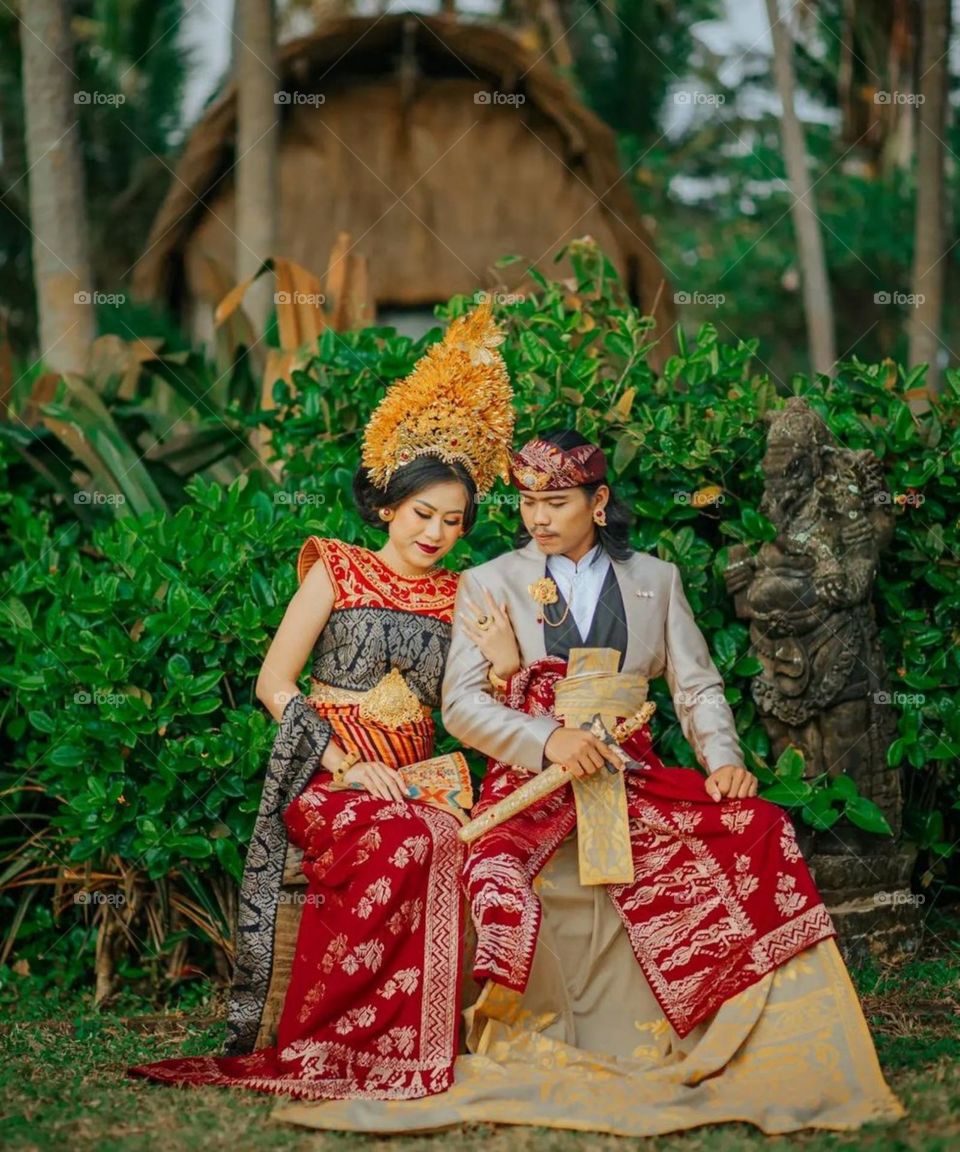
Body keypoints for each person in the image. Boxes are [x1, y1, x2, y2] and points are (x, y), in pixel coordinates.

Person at [272, 429, 904, 1135]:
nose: (537, 517)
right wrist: (547, 740)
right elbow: (462, 706)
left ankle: (767, 1043)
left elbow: (696, 688)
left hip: (631, 778)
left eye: (557, 501)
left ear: (599, 502)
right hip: (528, 790)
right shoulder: (489, 583)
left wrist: (723, 758)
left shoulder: (656, 581)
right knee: (507, 872)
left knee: (757, 827)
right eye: (527, 501)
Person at [127, 298, 515, 1100]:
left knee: (442, 836)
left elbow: (485, 702)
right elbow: (277, 685)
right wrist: (344, 764)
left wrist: (504, 655)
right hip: (324, 775)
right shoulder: (333, 569)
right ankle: (338, 1043)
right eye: (421, 514)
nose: (435, 533)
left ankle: (413, 1046)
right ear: (384, 505)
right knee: (406, 839)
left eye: (452, 521)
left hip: (421, 777)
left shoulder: (463, 595)